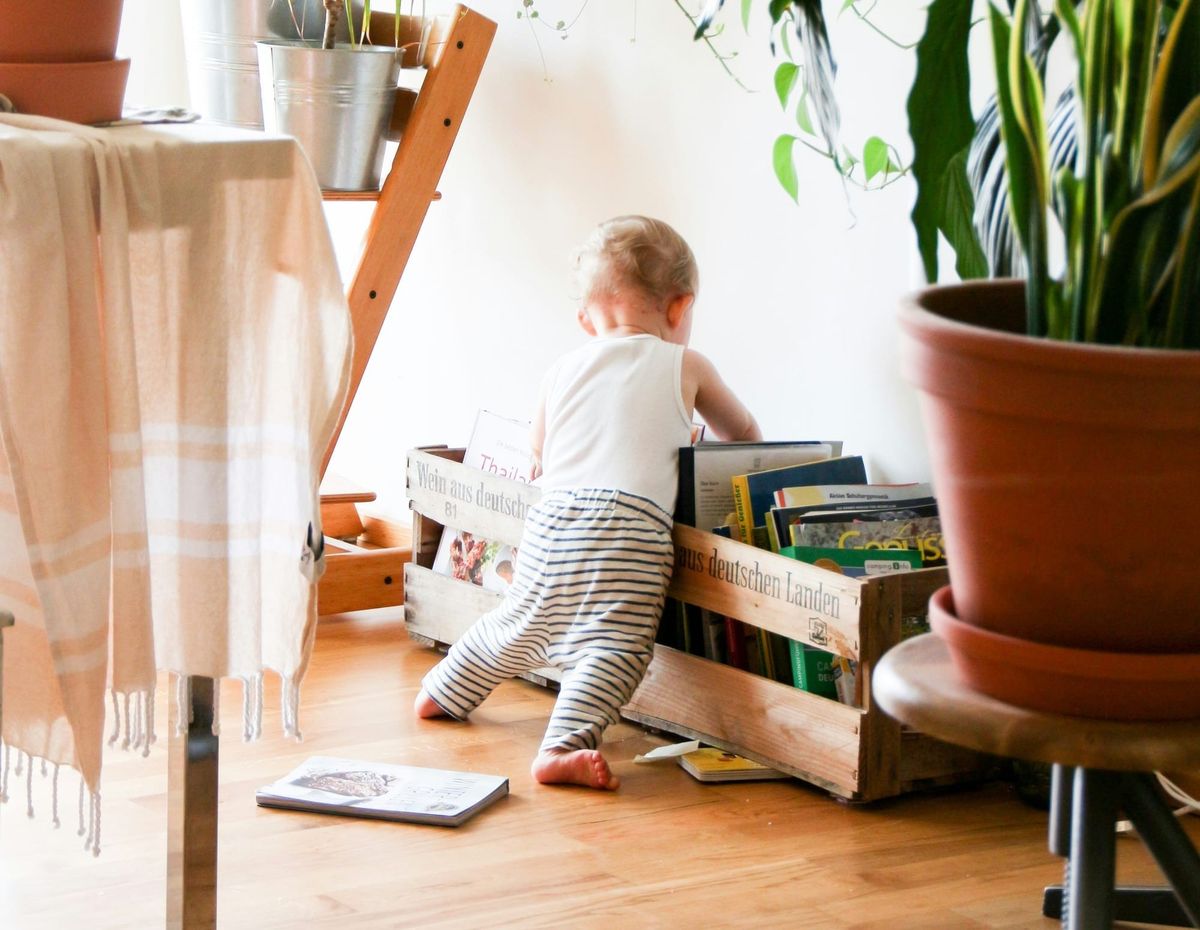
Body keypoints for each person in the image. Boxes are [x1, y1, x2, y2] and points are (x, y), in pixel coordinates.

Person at [414, 215, 761, 790]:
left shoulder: (561, 370)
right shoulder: (686, 365)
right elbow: (744, 436)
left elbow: (538, 454)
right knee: (616, 645)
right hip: (631, 530)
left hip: (554, 521)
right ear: (679, 309)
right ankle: (562, 746)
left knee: (520, 622)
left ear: (586, 318)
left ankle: (443, 691)